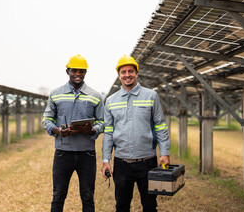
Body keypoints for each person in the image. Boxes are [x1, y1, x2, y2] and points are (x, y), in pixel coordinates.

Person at [101, 54, 170, 212]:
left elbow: (160, 125)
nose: (127, 75)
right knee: (122, 206)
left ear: (136, 73)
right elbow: (108, 133)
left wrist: (164, 152)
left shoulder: (151, 96)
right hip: (122, 163)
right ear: (119, 75)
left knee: (150, 205)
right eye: (123, 72)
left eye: (130, 71)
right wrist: (106, 159)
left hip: (147, 161)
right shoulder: (111, 101)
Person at [43, 54, 105, 212]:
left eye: (82, 71)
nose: (78, 74)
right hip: (63, 154)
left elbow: (103, 121)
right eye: (74, 70)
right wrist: (58, 131)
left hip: (87, 155)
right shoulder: (55, 94)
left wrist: (92, 129)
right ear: (67, 71)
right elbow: (46, 120)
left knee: (88, 196)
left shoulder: (95, 96)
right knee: (58, 195)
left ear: (85, 73)